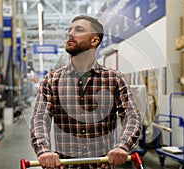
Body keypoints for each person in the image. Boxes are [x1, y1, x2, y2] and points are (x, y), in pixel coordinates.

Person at [30, 15, 141, 169]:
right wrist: (43, 150)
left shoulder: (113, 79)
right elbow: (40, 119)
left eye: (79, 30)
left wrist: (122, 146)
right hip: (66, 165)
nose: (70, 33)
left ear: (94, 40)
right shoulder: (51, 81)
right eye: (70, 30)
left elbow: (132, 117)